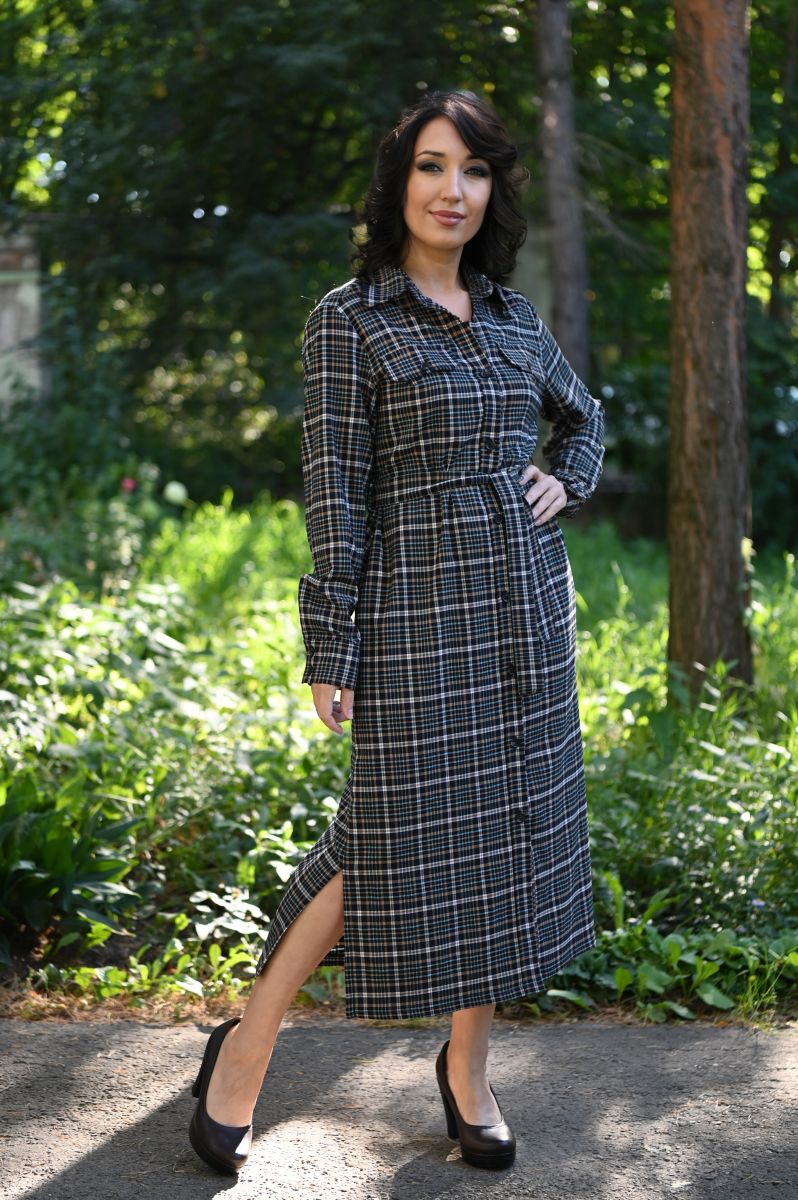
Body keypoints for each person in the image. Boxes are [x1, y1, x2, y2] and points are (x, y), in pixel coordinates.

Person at [188, 88, 605, 1176]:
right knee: (378, 832)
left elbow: (584, 417)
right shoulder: (351, 319)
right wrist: (332, 642)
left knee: (502, 833)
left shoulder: (512, 317)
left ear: (492, 189)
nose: (452, 190)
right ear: (399, 182)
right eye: (431, 165)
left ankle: (468, 1070)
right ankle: (247, 1048)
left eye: (473, 170)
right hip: (415, 611)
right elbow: (335, 493)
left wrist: (566, 478)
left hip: (526, 611)